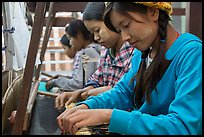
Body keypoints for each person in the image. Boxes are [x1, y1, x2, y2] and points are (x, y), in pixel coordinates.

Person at [56, 2, 202, 135]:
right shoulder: (141, 54)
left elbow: (183, 127)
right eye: (119, 30)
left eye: (126, 25)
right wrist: (88, 106)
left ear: (153, 12)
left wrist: (108, 115)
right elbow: (124, 91)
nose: (125, 37)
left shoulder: (192, 54)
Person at [55, 2, 135, 109]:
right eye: (92, 33)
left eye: (97, 30)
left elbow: (129, 92)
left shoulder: (134, 52)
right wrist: (83, 91)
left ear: (112, 21)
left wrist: (102, 91)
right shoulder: (105, 51)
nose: (96, 38)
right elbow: (97, 78)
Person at [46, 19, 101, 91]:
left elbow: (78, 84)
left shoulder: (87, 53)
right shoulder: (95, 49)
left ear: (79, 35)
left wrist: (56, 82)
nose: (70, 43)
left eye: (70, 38)